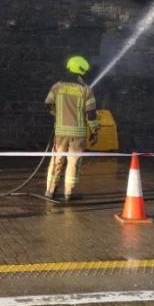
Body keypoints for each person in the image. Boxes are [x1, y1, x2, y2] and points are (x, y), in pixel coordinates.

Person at [44, 56, 99, 203]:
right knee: (73, 164)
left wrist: (58, 115)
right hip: (78, 135)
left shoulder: (56, 87)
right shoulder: (86, 90)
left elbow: (48, 104)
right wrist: (94, 132)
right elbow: (91, 115)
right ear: (80, 71)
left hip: (60, 133)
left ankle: (50, 191)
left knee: (56, 161)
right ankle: (68, 194)